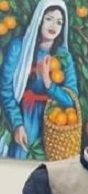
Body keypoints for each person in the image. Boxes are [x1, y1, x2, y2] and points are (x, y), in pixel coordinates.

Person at [1, 0, 78, 159]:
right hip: (24, 120)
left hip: (53, 124)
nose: (53, 26)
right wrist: (17, 124)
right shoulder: (18, 47)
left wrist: (48, 83)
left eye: (59, 22)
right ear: (39, 19)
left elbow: (71, 100)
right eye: (49, 19)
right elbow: (5, 89)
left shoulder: (64, 56)